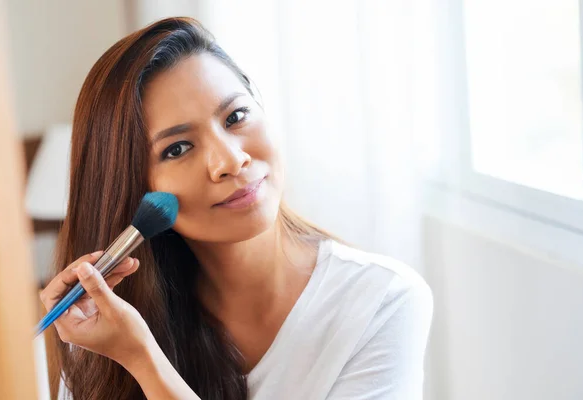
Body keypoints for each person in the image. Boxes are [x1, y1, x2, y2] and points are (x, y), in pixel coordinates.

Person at [39, 17, 433, 400]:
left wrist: (143, 360)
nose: (230, 160)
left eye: (235, 116)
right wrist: (123, 351)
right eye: (178, 149)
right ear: (136, 188)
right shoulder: (107, 324)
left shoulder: (381, 301)